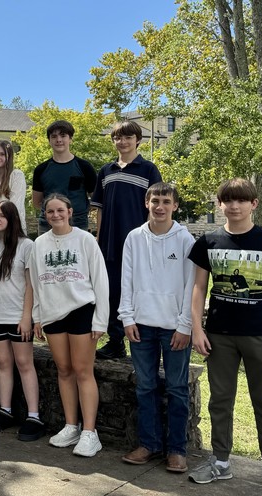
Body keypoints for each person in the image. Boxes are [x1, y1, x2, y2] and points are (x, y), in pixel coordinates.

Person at [187, 178, 262, 496]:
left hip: (261, 335)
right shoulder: (208, 241)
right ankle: (220, 463)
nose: (234, 206)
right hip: (220, 336)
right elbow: (198, 288)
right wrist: (197, 328)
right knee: (220, 401)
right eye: (228, 200)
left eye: (241, 200)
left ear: (253, 204)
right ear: (220, 204)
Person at [118, 182, 194, 473]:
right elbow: (126, 280)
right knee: (145, 386)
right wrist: (127, 318)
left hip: (175, 327)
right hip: (141, 326)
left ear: (175, 205)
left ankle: (176, 450)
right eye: (155, 201)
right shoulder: (134, 238)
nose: (160, 206)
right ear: (146, 203)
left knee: (176, 388)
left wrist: (185, 324)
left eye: (165, 201)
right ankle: (148, 445)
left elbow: (192, 286)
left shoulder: (185, 240)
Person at [28, 194, 109, 457]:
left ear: (70, 211)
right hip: (53, 313)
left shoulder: (84, 239)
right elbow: (37, 283)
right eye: (50, 211)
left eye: (60, 210)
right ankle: (71, 425)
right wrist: (37, 316)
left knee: (83, 370)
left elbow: (100, 279)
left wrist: (101, 319)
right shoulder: (39, 244)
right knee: (64, 370)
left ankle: (89, 432)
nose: (55, 215)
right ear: (45, 215)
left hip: (81, 310)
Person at [93, 121, 163, 360]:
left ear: (137, 140)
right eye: (117, 138)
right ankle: (115, 342)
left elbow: (156, 208)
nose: (122, 142)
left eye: (128, 137)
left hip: (139, 244)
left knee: (137, 292)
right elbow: (99, 210)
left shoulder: (149, 170)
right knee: (111, 293)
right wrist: (99, 239)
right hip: (110, 244)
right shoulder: (106, 171)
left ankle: (143, 344)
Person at [0, 201, 44, 441]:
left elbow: (30, 284)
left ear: (12, 218)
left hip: (17, 317)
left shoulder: (27, 246)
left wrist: (28, 317)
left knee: (25, 364)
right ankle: (6, 410)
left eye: (1, 215)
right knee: (3, 363)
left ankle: (33, 415)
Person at [31, 120, 97, 232]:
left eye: (63, 135)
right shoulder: (41, 169)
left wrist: (79, 211)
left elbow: (96, 200)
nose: (59, 140)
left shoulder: (84, 167)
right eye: (54, 136)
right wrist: (53, 212)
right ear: (49, 141)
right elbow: (37, 202)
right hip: (47, 226)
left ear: (70, 139)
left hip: (78, 225)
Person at [0, 140, 26, 234]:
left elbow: (16, 206)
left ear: (9, 156)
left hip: (11, 230)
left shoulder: (16, 175)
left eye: (2, 154)